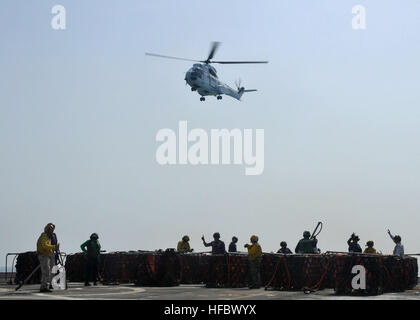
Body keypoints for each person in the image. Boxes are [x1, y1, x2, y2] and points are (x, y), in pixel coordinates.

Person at [36, 223, 59, 292]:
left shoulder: (49, 237)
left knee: (49, 271)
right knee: (46, 271)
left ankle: (47, 285)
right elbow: (45, 246)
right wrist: (54, 247)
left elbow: (48, 246)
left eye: (52, 229)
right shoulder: (44, 236)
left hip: (48, 255)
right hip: (43, 255)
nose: (51, 231)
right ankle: (43, 287)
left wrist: (55, 248)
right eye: (50, 229)